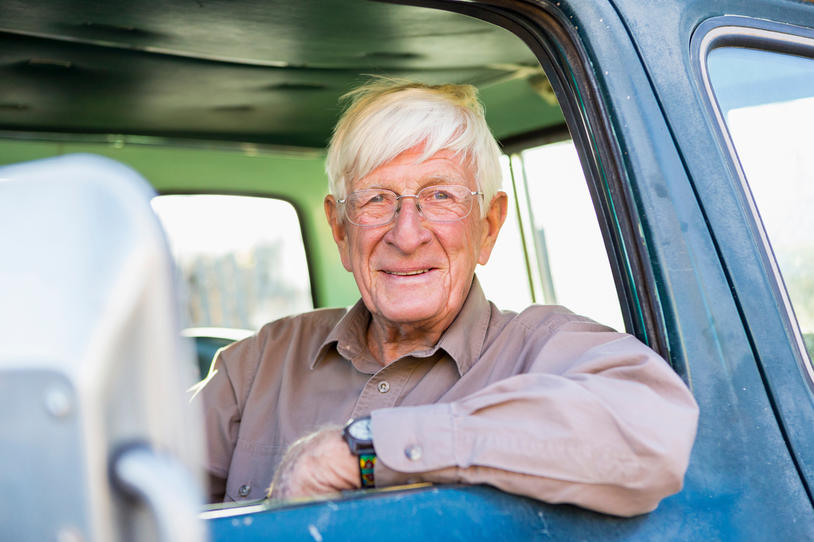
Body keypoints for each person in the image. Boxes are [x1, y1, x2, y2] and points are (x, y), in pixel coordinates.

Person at [193, 78, 699, 517]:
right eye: (376, 199)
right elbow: (130, 481)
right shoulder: (262, 360)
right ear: (339, 229)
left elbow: (652, 433)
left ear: (489, 226)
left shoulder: (543, 348)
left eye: (440, 196)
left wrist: (362, 453)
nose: (407, 234)